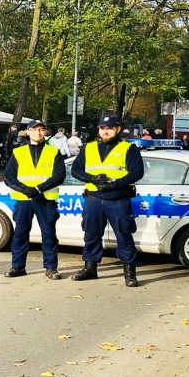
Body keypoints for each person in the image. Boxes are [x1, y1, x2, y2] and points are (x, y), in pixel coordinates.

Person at [70, 115, 145, 287]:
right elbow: (76, 170)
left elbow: (137, 172)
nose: (105, 131)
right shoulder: (88, 148)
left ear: (117, 129)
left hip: (118, 198)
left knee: (124, 235)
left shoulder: (128, 148)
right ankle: (90, 268)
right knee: (91, 235)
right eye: (102, 128)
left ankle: (129, 274)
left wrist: (115, 184)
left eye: (109, 128)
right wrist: (92, 178)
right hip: (94, 198)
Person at [3, 120, 66, 280]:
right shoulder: (18, 152)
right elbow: (8, 178)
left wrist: (38, 189)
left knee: (49, 235)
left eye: (41, 130)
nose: (37, 133)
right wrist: (27, 191)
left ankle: (51, 268)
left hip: (45, 200)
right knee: (20, 234)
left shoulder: (54, 152)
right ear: (28, 132)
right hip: (24, 200)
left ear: (45, 132)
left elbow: (59, 176)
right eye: (34, 130)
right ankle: (17, 267)